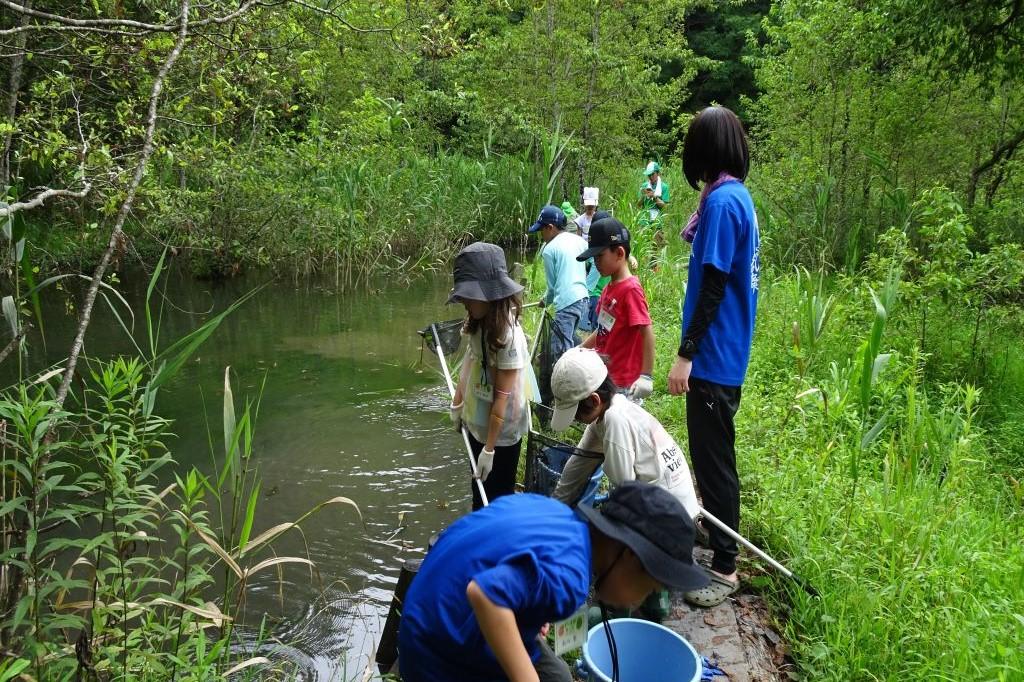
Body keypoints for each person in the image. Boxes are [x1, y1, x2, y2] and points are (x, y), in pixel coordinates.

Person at [397, 482, 709, 682]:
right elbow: (485, 593)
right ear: (629, 555)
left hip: (425, 611)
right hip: (437, 653)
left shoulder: (558, 516)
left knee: (557, 675)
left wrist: (527, 605)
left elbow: (503, 560)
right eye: (648, 589)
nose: (636, 604)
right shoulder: (571, 578)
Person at [668, 105, 760, 608]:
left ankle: (725, 569)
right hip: (724, 354)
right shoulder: (733, 197)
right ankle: (717, 533)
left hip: (714, 356)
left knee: (715, 462)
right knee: (711, 455)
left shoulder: (722, 204)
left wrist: (686, 354)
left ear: (704, 152)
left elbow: (714, 287)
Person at [449, 242, 540, 511]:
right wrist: (458, 403)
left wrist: (490, 449)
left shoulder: (507, 336)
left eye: (468, 296)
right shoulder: (476, 322)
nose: (463, 301)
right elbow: (469, 362)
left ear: (489, 295)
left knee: (498, 498)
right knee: (478, 492)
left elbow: (502, 399)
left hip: (502, 431)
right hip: (479, 418)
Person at [576, 217, 655, 400]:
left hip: (625, 382)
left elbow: (647, 331)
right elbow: (602, 329)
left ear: (619, 253)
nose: (595, 262)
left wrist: (646, 376)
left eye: (599, 256)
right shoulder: (608, 288)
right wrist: (580, 349)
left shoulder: (630, 290)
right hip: (607, 375)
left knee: (622, 426)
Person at [528, 205, 589, 366]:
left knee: (560, 349)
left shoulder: (549, 250)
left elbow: (553, 287)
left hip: (567, 304)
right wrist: (589, 285)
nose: (541, 234)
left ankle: (565, 386)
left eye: (542, 230)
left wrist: (545, 301)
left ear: (550, 227)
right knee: (568, 339)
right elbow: (595, 263)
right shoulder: (579, 241)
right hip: (583, 299)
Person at [637, 161, 669, 228]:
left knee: (658, 237)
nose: (651, 177)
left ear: (658, 173)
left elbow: (664, 206)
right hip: (644, 219)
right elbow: (638, 205)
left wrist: (654, 197)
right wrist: (643, 196)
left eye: (652, 174)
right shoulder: (644, 186)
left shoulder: (664, 187)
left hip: (657, 219)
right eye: (649, 175)